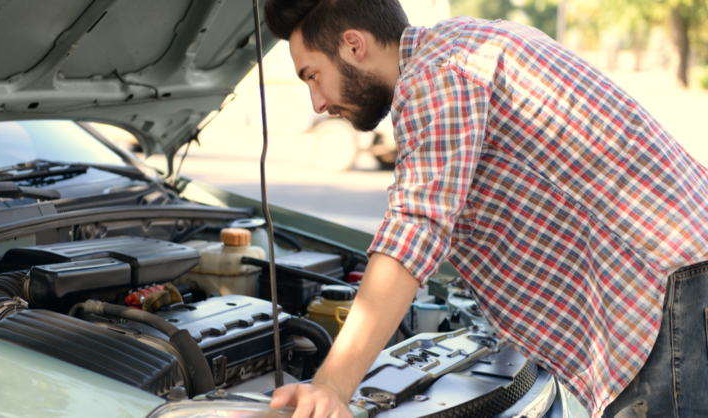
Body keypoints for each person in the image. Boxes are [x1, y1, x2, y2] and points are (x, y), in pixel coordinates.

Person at [263, 1, 708, 417]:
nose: (317, 103)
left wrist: (333, 386)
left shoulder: (436, 75)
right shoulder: (467, 44)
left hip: (662, 293)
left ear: (354, 46)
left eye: (311, 75)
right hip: (674, 282)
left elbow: (417, 225)